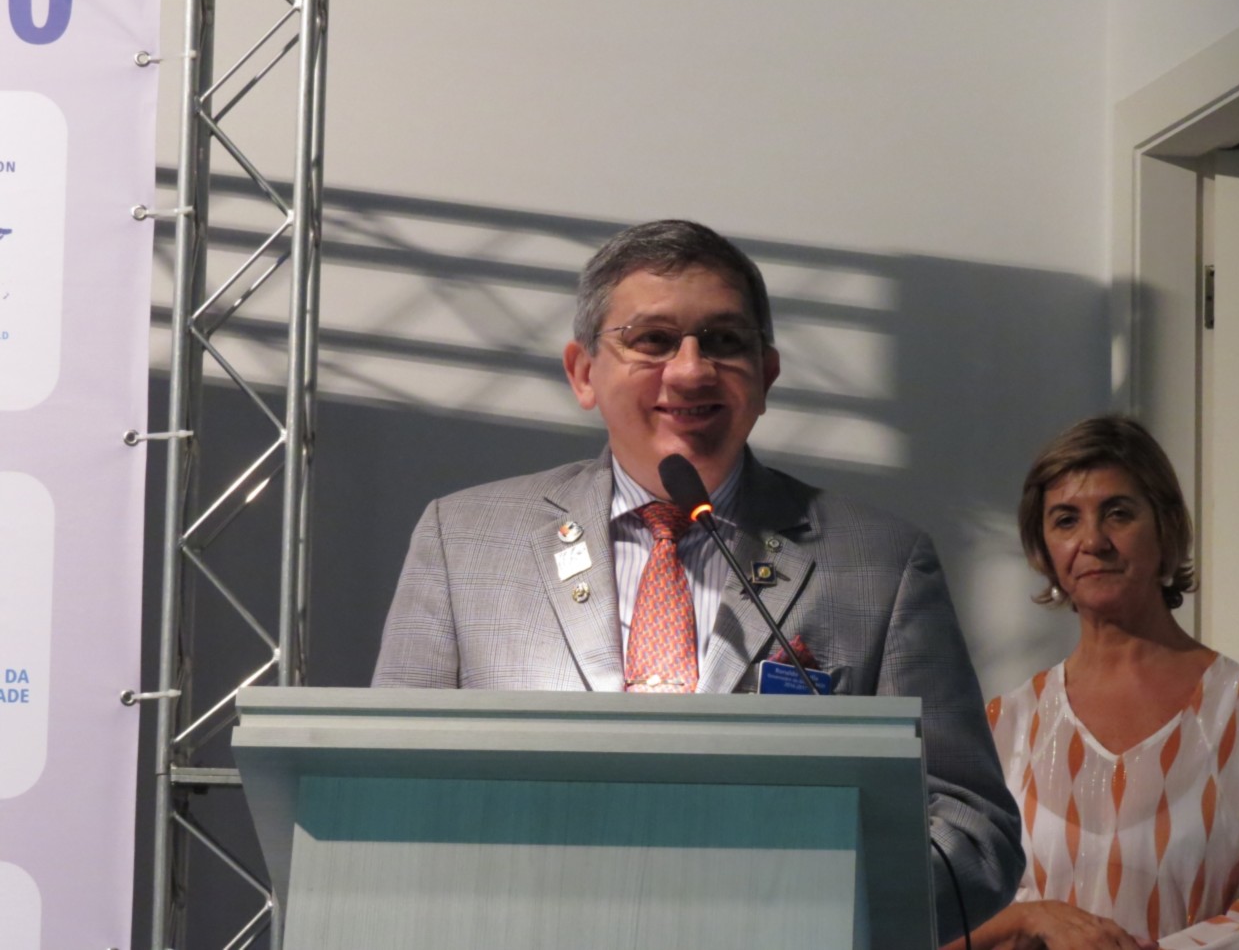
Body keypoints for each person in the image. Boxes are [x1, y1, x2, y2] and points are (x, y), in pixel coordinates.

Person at [373, 218, 1024, 941]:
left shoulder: (882, 562)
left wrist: (805, 907)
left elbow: (973, 827)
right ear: (584, 372)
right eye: (652, 340)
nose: (690, 371)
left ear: (766, 374)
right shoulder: (462, 542)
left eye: (723, 341)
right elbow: (381, 788)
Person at [957, 416, 1239, 950]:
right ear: (1044, 549)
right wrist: (1029, 918)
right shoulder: (1006, 724)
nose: (1092, 541)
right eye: (1065, 520)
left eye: (1118, 513)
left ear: (1166, 529)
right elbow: (934, 920)